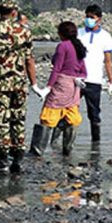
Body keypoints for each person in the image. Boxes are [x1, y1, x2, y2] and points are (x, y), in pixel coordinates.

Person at [0, 0, 44, 174]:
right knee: (18, 119)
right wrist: (34, 84)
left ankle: (3, 160)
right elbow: (30, 59)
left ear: (0, 12)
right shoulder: (24, 32)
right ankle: (18, 158)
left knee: (1, 121)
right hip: (20, 84)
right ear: (14, 12)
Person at [29, 22, 87, 157]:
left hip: (61, 84)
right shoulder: (79, 47)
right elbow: (83, 70)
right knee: (72, 116)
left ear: (61, 34)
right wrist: (79, 78)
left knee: (48, 115)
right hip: (74, 87)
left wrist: (48, 87)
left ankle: (38, 151)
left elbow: (57, 69)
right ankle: (67, 150)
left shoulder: (63, 46)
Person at [77, 4, 112, 144]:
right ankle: (61, 145)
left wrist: (111, 82)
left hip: (94, 80)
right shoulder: (78, 33)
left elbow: (107, 61)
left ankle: (96, 146)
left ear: (99, 19)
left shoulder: (105, 37)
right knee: (68, 111)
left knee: (94, 114)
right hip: (77, 79)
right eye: (87, 17)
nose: (88, 20)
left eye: (91, 17)